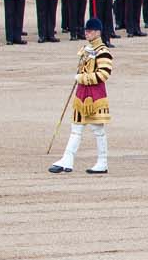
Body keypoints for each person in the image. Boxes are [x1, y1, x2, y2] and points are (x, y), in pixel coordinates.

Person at [48, 17, 114, 176]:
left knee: (98, 130)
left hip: (95, 95)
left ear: (98, 33)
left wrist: (82, 78)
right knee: (76, 128)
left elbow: (104, 74)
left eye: (90, 31)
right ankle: (67, 159)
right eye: (86, 31)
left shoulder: (103, 51)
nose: (87, 33)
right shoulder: (86, 49)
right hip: (82, 93)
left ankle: (102, 161)